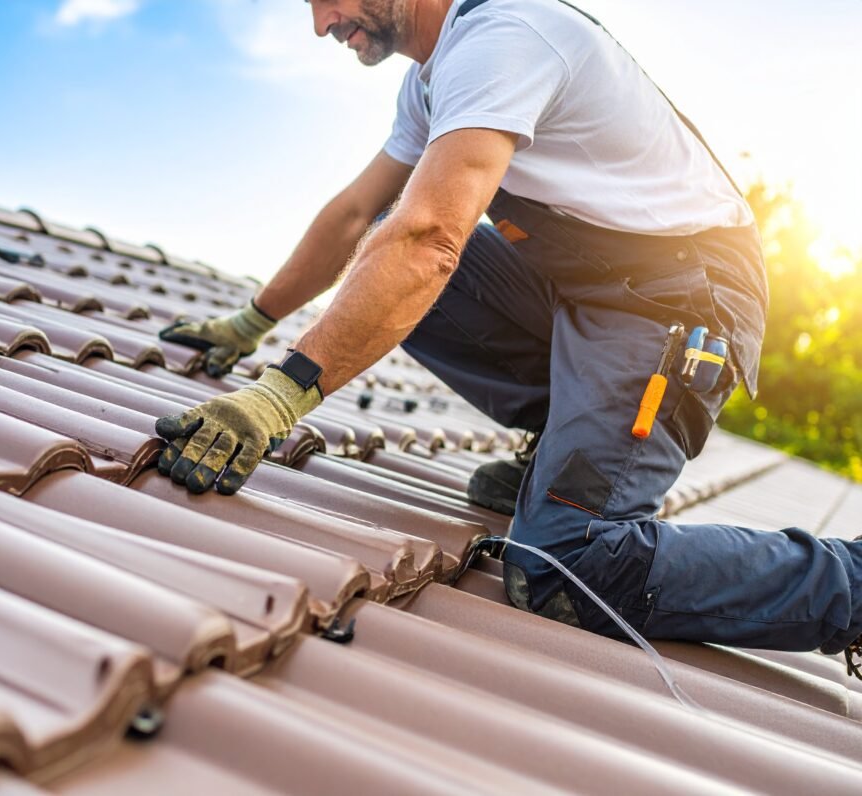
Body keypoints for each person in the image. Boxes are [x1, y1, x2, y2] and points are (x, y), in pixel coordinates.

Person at [154, 0, 861, 678]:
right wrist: (250, 323)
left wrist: (276, 400)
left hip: (683, 302)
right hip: (592, 293)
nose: (320, 24)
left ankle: (851, 586)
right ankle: (562, 442)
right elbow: (354, 217)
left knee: (564, 565)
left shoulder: (507, 36)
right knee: (386, 254)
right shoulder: (429, 82)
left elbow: (430, 237)